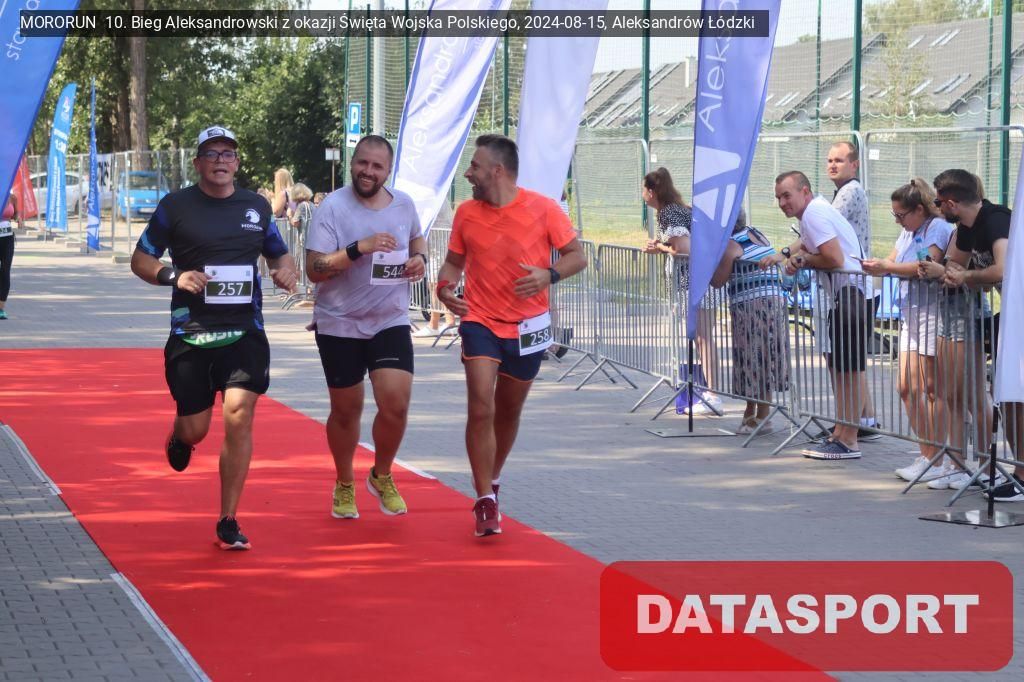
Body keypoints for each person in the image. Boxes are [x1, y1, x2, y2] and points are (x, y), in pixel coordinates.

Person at [130, 125, 298, 550]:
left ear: (237, 163)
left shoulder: (256, 207)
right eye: (212, 154)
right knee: (196, 429)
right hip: (191, 333)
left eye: (228, 154)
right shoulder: (175, 206)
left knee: (239, 414)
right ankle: (180, 435)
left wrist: (285, 271)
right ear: (198, 163)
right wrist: (174, 276)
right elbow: (141, 258)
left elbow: (279, 253)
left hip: (245, 331)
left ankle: (228, 518)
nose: (221, 161)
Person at [435, 134, 586, 537]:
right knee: (480, 404)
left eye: (475, 167)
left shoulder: (544, 208)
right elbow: (452, 264)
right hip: (480, 320)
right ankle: (484, 497)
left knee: (508, 409)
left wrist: (549, 275)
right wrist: (445, 289)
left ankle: (494, 476)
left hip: (527, 326)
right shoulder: (467, 213)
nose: (468, 173)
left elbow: (578, 256)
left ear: (497, 171)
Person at [304, 135, 427, 519]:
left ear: (388, 171)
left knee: (396, 403)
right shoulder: (333, 208)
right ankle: (344, 482)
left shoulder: (403, 204)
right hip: (339, 321)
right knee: (347, 410)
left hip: (390, 319)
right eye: (362, 163)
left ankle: (381, 474)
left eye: (377, 166)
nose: (368, 172)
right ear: (352, 163)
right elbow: (314, 270)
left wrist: (420, 259)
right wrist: (360, 248)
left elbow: (417, 238)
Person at [920, 169, 1022, 500]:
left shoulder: (995, 220)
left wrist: (964, 277)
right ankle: (1017, 473)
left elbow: (1002, 269)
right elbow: (955, 267)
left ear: (951, 203)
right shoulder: (966, 227)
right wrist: (948, 272)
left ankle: (1016, 474)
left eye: (938, 202)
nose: (936, 208)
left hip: (1017, 314)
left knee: (1011, 396)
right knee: (1005, 396)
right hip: (1011, 315)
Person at [760, 171, 871, 460]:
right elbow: (813, 250)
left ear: (805, 192)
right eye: (778, 198)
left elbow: (833, 257)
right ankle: (842, 433)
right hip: (846, 295)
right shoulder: (813, 213)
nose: (782, 203)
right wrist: (796, 257)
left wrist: (805, 259)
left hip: (851, 294)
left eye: (787, 195)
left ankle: (849, 440)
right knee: (843, 369)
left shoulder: (814, 214)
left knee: (849, 371)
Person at [860, 180, 953, 485]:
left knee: (933, 388)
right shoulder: (908, 231)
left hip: (932, 312)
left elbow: (926, 265)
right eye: (895, 216)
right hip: (909, 313)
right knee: (905, 387)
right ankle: (927, 454)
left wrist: (887, 267)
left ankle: (939, 457)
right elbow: (893, 259)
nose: (898, 221)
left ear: (919, 210)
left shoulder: (938, 228)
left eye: (901, 215)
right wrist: (878, 265)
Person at [641, 167, 722, 414]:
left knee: (703, 338)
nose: (642, 194)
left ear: (651, 191)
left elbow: (683, 249)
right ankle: (709, 392)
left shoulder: (670, 213)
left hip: (693, 283)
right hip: (698, 282)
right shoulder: (677, 210)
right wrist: (663, 246)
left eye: (643, 189)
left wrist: (662, 248)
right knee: (702, 337)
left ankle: (713, 394)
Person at [715, 211, 789, 434]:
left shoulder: (730, 245)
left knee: (757, 358)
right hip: (770, 301)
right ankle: (751, 411)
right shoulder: (753, 232)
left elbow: (718, 281)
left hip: (754, 306)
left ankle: (763, 416)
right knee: (756, 357)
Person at [827, 141, 879, 439]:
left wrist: (791, 254)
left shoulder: (850, 191)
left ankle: (850, 424)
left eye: (839, 160)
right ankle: (862, 418)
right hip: (848, 286)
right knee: (846, 359)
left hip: (854, 287)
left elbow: (824, 227)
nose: (833, 165)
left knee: (848, 361)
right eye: (830, 160)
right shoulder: (842, 191)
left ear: (855, 164)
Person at [412, 200, 458, 339]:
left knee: (436, 283)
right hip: (436, 237)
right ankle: (447, 322)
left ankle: (435, 324)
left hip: (438, 238)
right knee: (436, 283)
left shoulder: (434, 195)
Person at [0, 189, 22, 320]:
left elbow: (15, 213)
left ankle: (1, 308)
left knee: (5, 271)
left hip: (7, 238)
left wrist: (18, 217)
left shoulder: (12, 197)